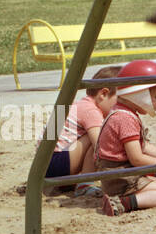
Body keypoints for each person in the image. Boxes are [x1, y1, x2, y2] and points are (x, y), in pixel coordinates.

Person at [94, 63, 156, 216]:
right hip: (121, 179)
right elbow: (137, 159)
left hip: (121, 174)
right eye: (155, 97)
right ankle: (122, 203)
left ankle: (127, 197)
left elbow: (143, 146)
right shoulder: (124, 118)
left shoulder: (124, 112)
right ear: (138, 93)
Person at [46, 64, 121, 198]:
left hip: (45, 164)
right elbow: (101, 146)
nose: (120, 106)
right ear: (103, 94)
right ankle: (85, 184)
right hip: (56, 163)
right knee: (101, 139)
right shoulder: (90, 110)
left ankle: (75, 180)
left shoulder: (79, 104)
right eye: (120, 100)